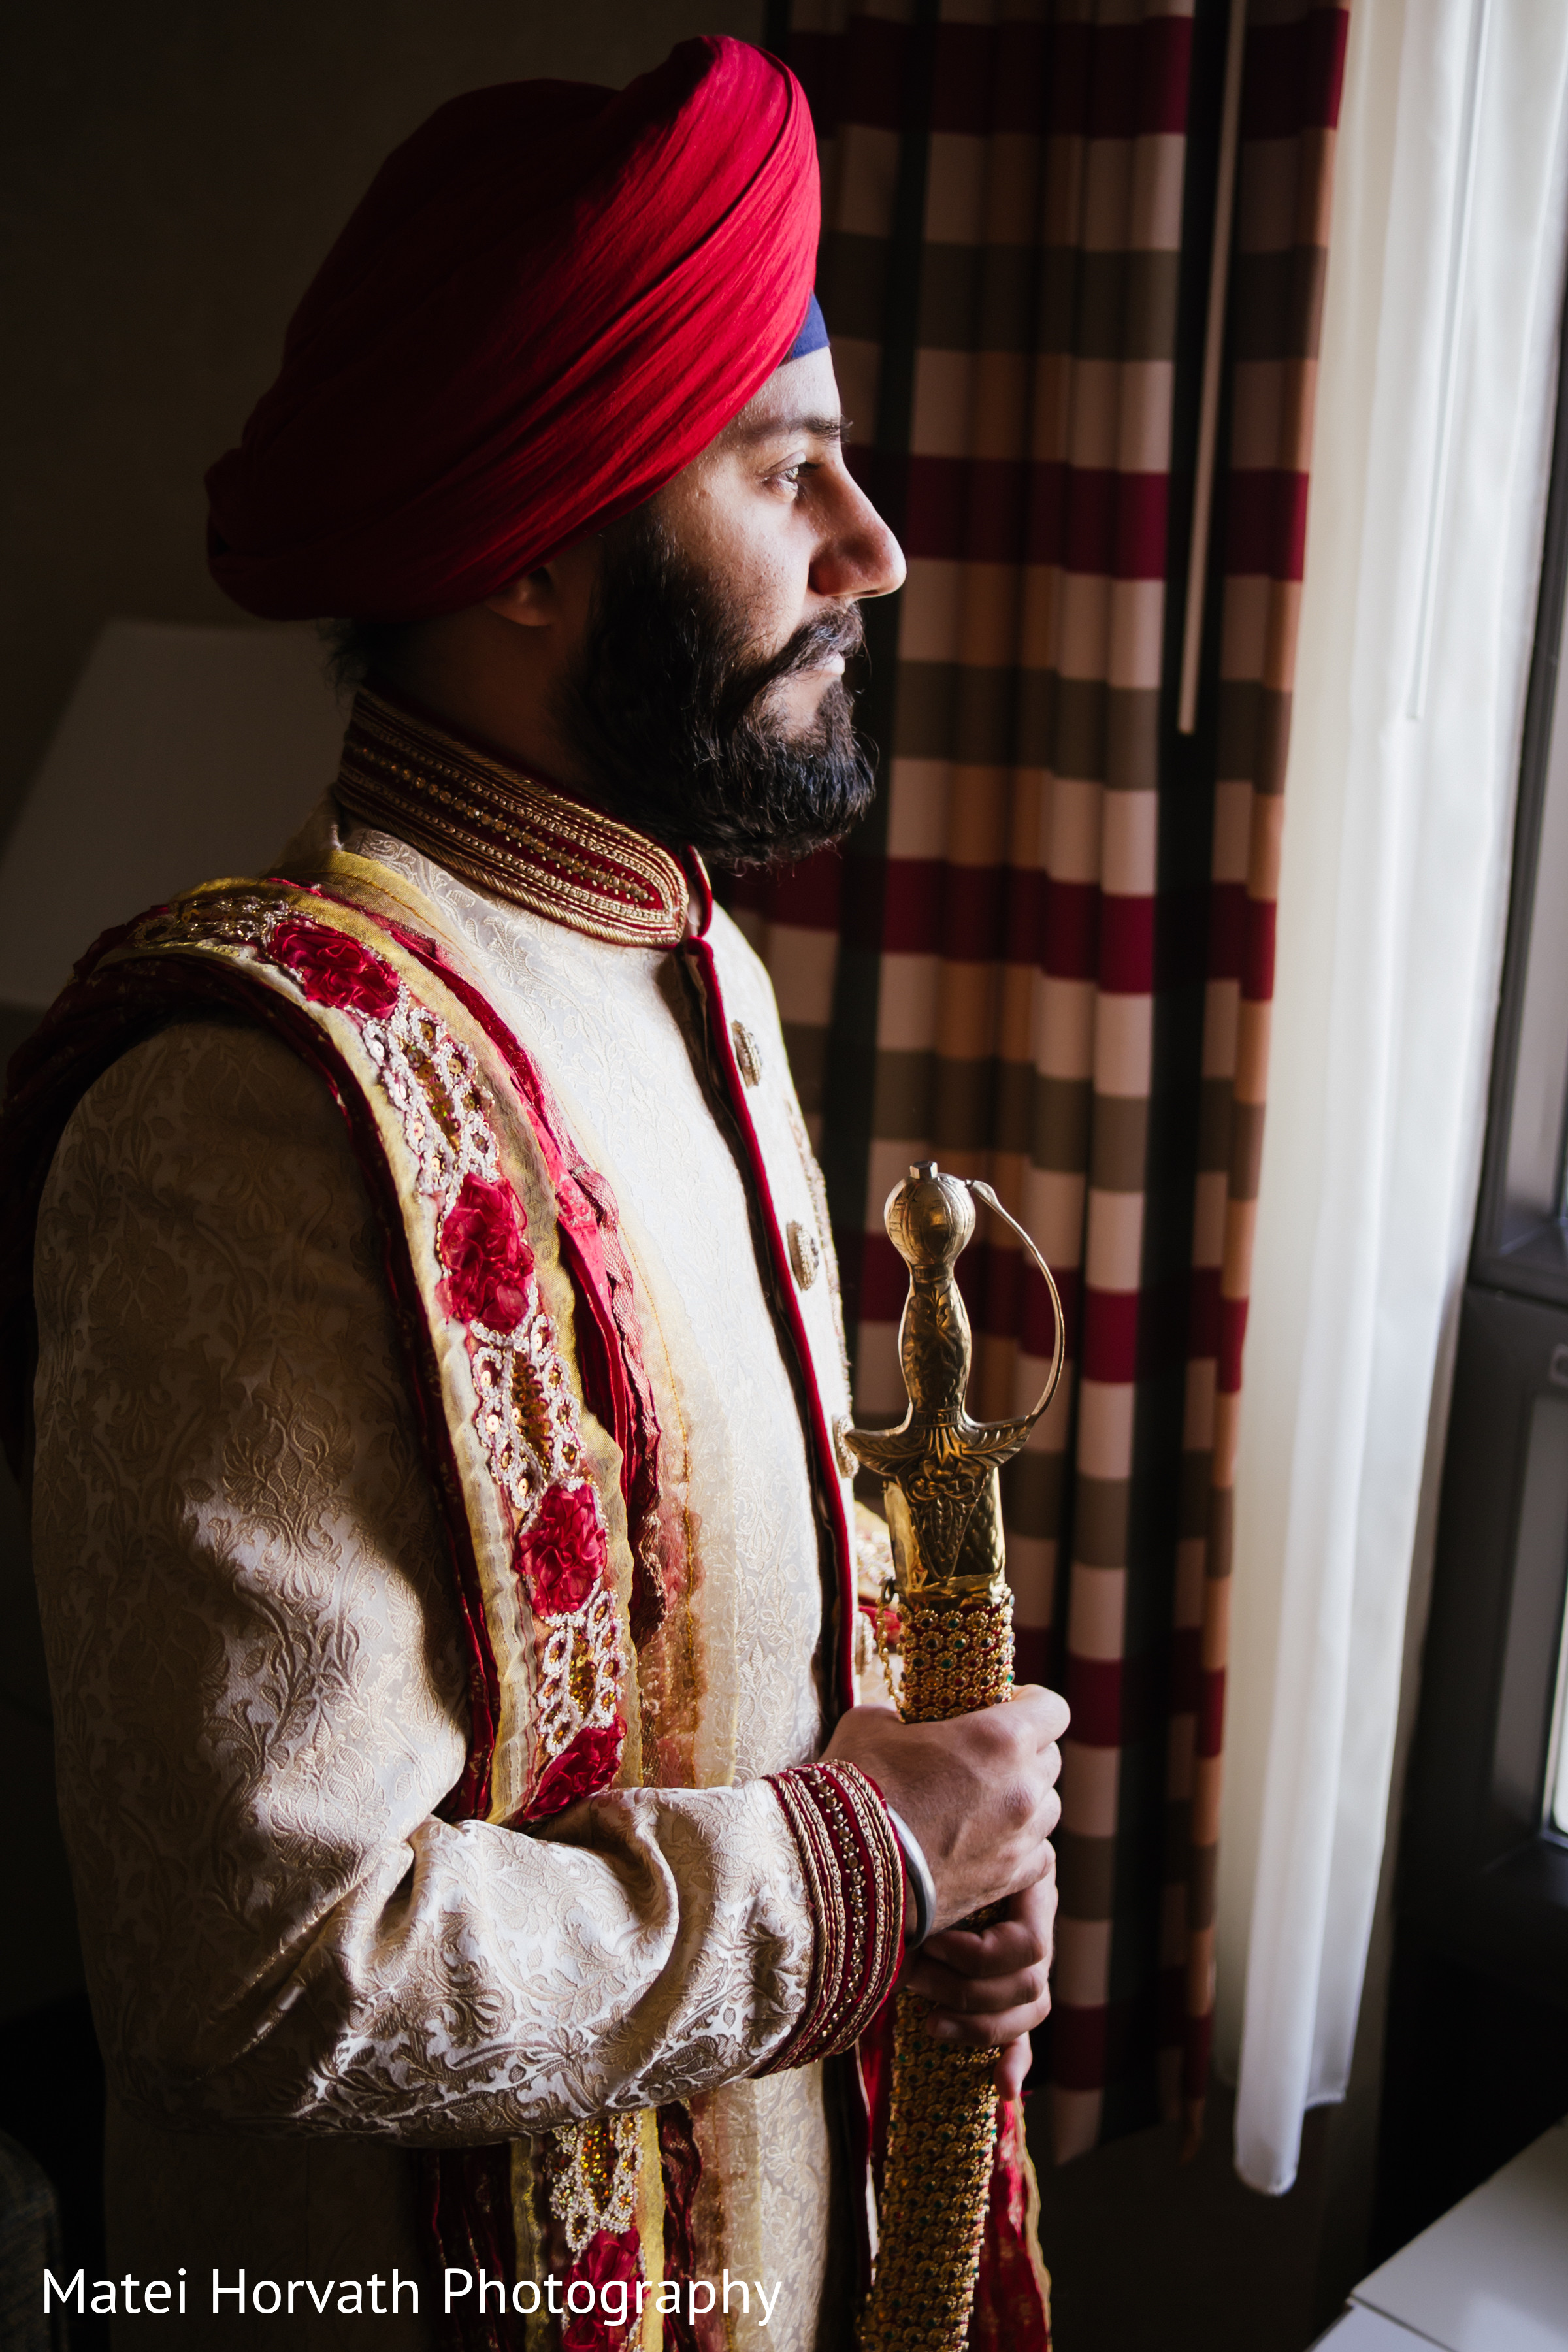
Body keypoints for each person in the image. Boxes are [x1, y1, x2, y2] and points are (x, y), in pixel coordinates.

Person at [5, 37, 1068, 2351]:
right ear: (530, 551)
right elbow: (262, 1966)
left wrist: (933, 1857)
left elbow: (754, 1704)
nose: (871, 546)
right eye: (790, 472)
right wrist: (866, 1865)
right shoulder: (244, 1105)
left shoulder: (690, 974)